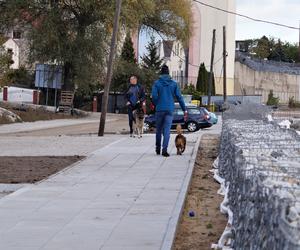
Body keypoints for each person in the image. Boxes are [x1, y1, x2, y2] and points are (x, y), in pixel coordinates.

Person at [151, 65, 187, 157]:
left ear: (161, 73)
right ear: (168, 72)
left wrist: (156, 104)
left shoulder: (156, 83)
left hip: (159, 109)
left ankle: (158, 148)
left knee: (158, 130)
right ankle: (164, 150)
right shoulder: (174, 84)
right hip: (170, 110)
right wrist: (184, 110)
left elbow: (154, 96)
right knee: (167, 130)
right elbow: (179, 97)